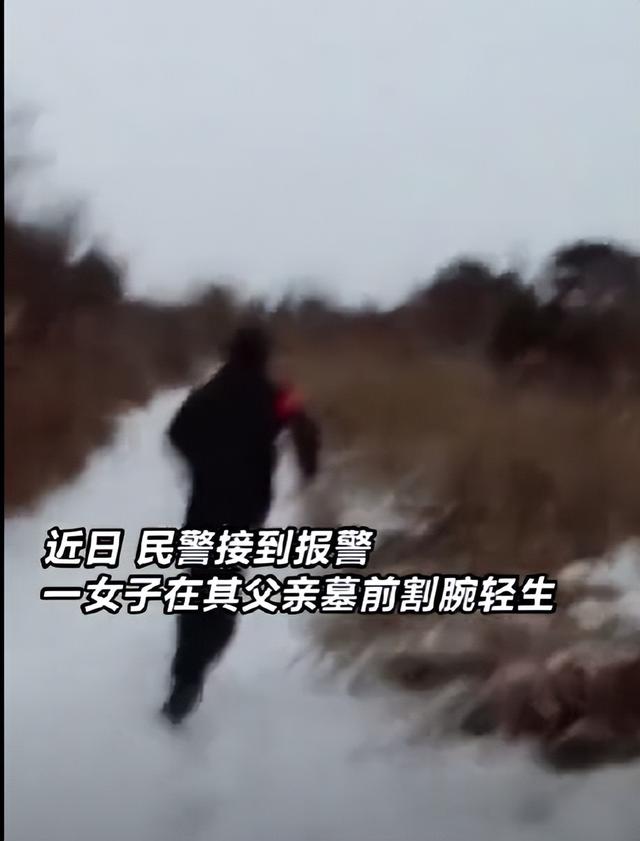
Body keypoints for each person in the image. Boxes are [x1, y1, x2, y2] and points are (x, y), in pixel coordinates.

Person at [161, 323, 320, 724]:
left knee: (196, 585)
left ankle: (186, 676)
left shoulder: (209, 391)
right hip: (248, 506)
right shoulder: (277, 395)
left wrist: (202, 463)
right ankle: (206, 655)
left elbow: (177, 433)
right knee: (225, 585)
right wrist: (308, 471)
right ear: (265, 356)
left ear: (230, 353)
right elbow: (306, 429)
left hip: (205, 503)